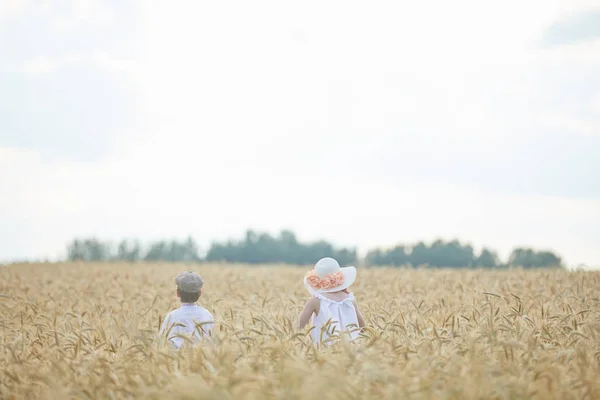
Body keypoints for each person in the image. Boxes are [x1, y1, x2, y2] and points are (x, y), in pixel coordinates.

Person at [298, 257, 365, 345]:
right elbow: (363, 328)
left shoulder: (315, 301)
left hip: (323, 352)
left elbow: (299, 326)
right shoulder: (350, 300)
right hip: (351, 351)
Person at [160, 270, 214, 349]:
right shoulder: (207, 315)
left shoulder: (171, 316)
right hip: (202, 359)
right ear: (200, 293)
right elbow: (212, 341)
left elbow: (162, 342)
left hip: (176, 360)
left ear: (177, 293)